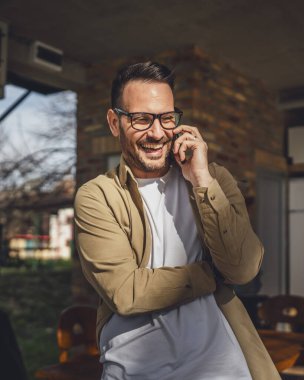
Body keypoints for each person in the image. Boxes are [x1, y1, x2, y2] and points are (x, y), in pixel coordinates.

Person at [74, 62, 280, 379]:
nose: (157, 133)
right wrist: (210, 275)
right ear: (115, 123)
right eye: (141, 119)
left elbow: (243, 268)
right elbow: (125, 293)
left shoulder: (215, 179)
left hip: (220, 366)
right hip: (134, 369)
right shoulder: (97, 196)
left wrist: (200, 178)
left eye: (166, 118)